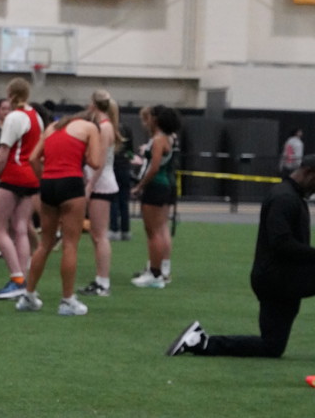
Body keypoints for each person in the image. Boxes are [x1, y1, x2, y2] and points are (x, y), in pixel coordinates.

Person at [168, 155, 315, 358]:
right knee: (271, 346)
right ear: (308, 173)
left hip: (279, 276)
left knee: (272, 347)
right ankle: (201, 342)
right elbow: (282, 243)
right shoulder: (285, 198)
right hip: (278, 279)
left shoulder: (289, 196)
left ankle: (201, 342)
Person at [16, 110, 101, 315]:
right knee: (70, 244)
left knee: (45, 243)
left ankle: (28, 295)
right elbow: (95, 162)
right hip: (71, 183)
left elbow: (33, 158)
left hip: (48, 183)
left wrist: (44, 178)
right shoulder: (90, 128)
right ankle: (67, 300)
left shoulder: (52, 128)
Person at [0, 78, 42, 299]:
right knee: (21, 228)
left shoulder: (14, 117)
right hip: (31, 176)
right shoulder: (35, 116)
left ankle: (17, 278)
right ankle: (23, 279)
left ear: (10, 94)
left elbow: (3, 153)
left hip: (14, 175)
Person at [131, 105, 181, 288]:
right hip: (165, 185)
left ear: (156, 119)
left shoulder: (159, 140)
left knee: (153, 232)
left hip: (156, 186)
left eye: (150, 116)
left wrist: (139, 186)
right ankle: (160, 270)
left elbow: (154, 167)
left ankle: (154, 273)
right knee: (160, 229)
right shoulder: (168, 137)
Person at [79, 89, 120, 298]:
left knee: (99, 235)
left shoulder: (104, 127)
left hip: (101, 184)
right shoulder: (104, 125)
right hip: (99, 181)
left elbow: (101, 161)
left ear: (94, 105)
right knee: (97, 235)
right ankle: (100, 280)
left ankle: (103, 282)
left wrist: (90, 186)